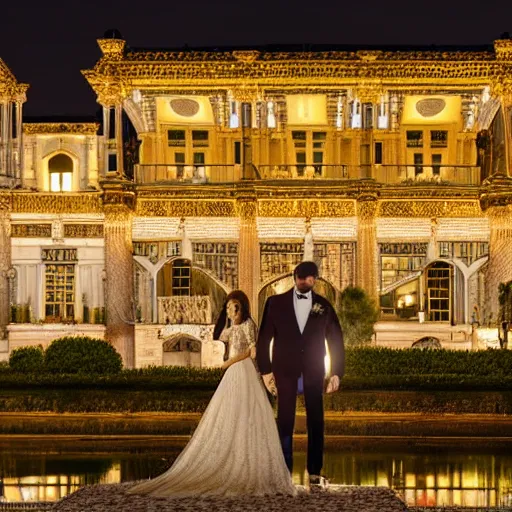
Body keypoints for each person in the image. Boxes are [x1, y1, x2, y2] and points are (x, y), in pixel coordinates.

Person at [128, 290, 296, 498]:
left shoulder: (248, 326)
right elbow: (218, 337)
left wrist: (228, 362)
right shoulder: (231, 327)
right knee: (228, 414)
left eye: (233, 306)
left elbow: (252, 351)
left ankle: (248, 466)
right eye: (227, 307)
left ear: (241, 307)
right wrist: (224, 322)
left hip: (243, 370)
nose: (229, 310)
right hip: (233, 373)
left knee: (247, 415)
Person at [257, 261, 344, 487]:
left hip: (314, 369)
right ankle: (283, 469)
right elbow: (264, 338)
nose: (307, 282)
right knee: (285, 420)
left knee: (316, 421)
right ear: (294, 277)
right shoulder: (274, 303)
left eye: (311, 278)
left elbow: (335, 340)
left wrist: (336, 372)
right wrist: (265, 371)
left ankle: (314, 470)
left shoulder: (324, 306)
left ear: (315, 279)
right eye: (303, 278)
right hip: (284, 369)